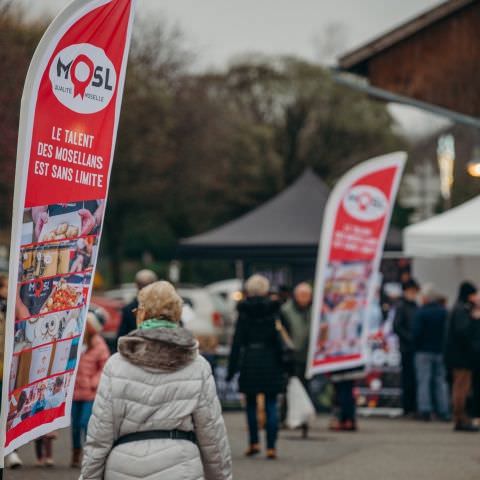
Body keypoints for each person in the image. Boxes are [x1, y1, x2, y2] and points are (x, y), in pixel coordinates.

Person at [81, 281, 232, 479]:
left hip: (124, 468)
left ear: (142, 314)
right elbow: (211, 433)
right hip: (181, 467)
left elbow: (100, 434)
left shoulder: (116, 365)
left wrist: (89, 476)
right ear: (177, 314)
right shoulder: (197, 365)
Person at [227, 274, 286, 459]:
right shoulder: (274, 311)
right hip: (270, 360)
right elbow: (279, 340)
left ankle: (253, 442)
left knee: (251, 405)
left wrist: (231, 369)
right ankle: (271, 446)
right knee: (271, 404)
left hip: (250, 360)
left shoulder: (243, 312)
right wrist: (284, 363)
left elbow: (237, 342)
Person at [71, 312, 110, 468]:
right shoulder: (74, 342)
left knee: (85, 422)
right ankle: (75, 453)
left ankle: (89, 454)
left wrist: (94, 382)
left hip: (90, 393)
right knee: (74, 426)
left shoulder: (99, 344)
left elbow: (105, 366)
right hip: (74, 393)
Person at [445, 281, 480, 432]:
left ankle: (461, 417)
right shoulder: (461, 310)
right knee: (461, 388)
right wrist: (474, 320)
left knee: (461, 387)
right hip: (461, 357)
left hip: (460, 356)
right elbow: (463, 332)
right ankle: (460, 418)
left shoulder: (460, 308)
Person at [413, 284, 449, 421]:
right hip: (439, 350)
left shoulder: (421, 312)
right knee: (440, 381)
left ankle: (425, 409)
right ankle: (443, 409)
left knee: (424, 381)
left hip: (423, 351)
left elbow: (416, 333)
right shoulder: (443, 312)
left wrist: (417, 346)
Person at [280, 282, 312, 437]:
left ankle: (303, 417)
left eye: (307, 295)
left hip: (308, 355)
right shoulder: (286, 310)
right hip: (292, 355)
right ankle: (287, 416)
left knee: (305, 386)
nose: (304, 299)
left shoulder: (314, 310)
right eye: (302, 295)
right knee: (290, 386)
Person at [0, 275, 24, 470]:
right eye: (8, 287)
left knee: (11, 411)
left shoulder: (12, 307)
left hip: (11, 368)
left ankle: (11, 451)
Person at [393, 279, 420, 416]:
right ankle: (408, 407)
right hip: (406, 348)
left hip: (414, 347)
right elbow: (397, 326)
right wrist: (409, 338)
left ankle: (413, 406)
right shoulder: (402, 306)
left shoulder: (415, 306)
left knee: (415, 378)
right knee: (408, 378)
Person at [116, 269, 158, 340]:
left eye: (147, 285)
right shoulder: (128, 309)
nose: (145, 288)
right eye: (143, 285)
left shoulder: (128, 309)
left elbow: (121, 337)